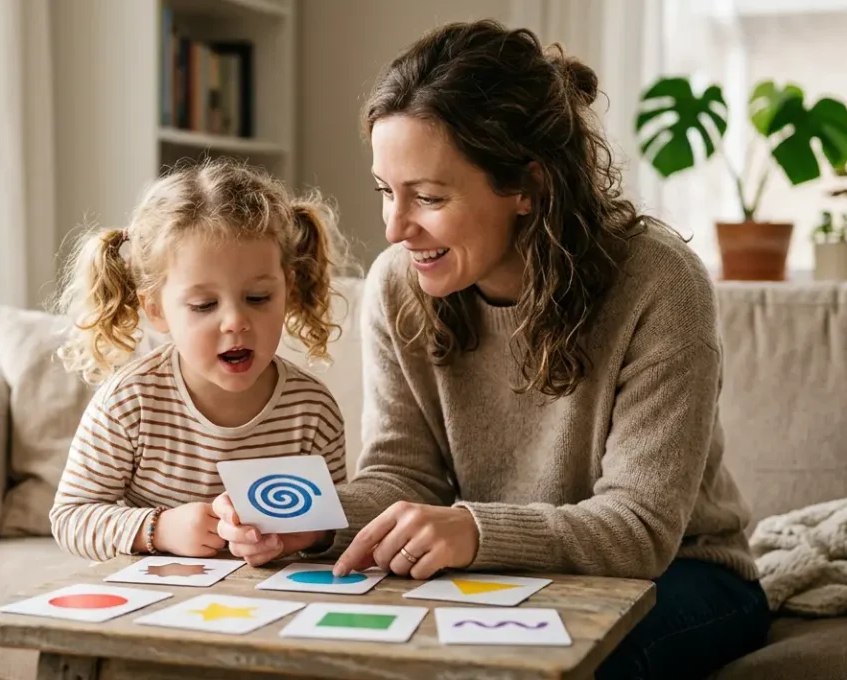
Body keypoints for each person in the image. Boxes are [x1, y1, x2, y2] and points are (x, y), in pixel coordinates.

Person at [215, 19, 770, 679]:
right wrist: (311, 523)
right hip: (501, 570)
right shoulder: (399, 285)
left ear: (526, 186)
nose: (395, 228)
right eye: (386, 193)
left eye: (428, 197)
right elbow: (403, 474)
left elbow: (639, 530)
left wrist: (472, 531)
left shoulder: (659, 282)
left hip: (688, 573)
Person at [49, 158, 351, 563]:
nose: (236, 322)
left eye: (258, 298)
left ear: (287, 291)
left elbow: (335, 529)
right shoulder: (130, 404)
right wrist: (159, 529)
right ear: (156, 310)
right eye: (204, 304)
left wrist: (302, 537)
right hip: (158, 608)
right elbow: (71, 517)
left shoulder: (311, 410)